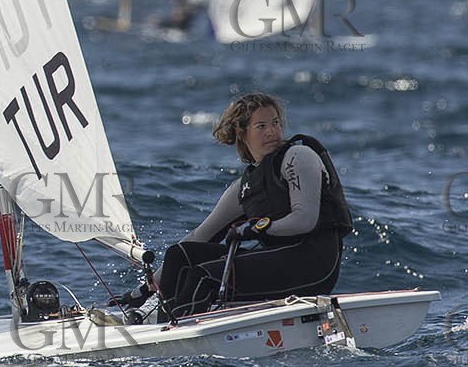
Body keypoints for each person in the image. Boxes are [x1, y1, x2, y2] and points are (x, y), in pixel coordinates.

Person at [114, 92, 352, 322]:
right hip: (277, 260)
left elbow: (305, 219)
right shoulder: (243, 188)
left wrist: (259, 229)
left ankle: (171, 331)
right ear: (242, 133)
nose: (272, 131)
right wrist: (144, 290)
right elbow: (199, 237)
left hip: (314, 265)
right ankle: (153, 318)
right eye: (261, 126)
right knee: (181, 254)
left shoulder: (298, 156)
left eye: (276, 123)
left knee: (202, 277)